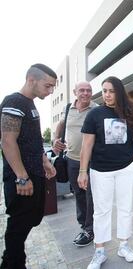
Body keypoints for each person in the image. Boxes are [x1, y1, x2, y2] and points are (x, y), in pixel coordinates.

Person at [78, 76, 133, 268]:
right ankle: (99, 251)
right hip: (100, 170)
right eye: (104, 91)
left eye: (111, 91)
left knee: (126, 207)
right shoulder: (94, 114)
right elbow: (87, 145)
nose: (107, 95)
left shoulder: (131, 113)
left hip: (126, 168)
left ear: (119, 92)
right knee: (101, 211)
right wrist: (83, 171)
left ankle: (124, 245)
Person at [0, 63, 57, 268]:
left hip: (35, 173)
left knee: (33, 217)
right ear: (31, 79)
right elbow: (7, 141)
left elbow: (33, 140)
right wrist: (22, 177)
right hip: (22, 178)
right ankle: (12, 264)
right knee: (18, 226)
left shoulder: (30, 104)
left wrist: (45, 162)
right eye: (48, 86)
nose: (50, 91)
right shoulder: (14, 101)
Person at [52, 81, 97, 247]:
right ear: (75, 92)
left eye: (89, 90)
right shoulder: (68, 108)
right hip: (72, 160)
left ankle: (90, 229)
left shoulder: (96, 108)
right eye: (82, 90)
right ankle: (84, 225)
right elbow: (61, 124)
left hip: (92, 161)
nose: (86, 93)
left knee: (90, 195)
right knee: (78, 194)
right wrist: (56, 139)